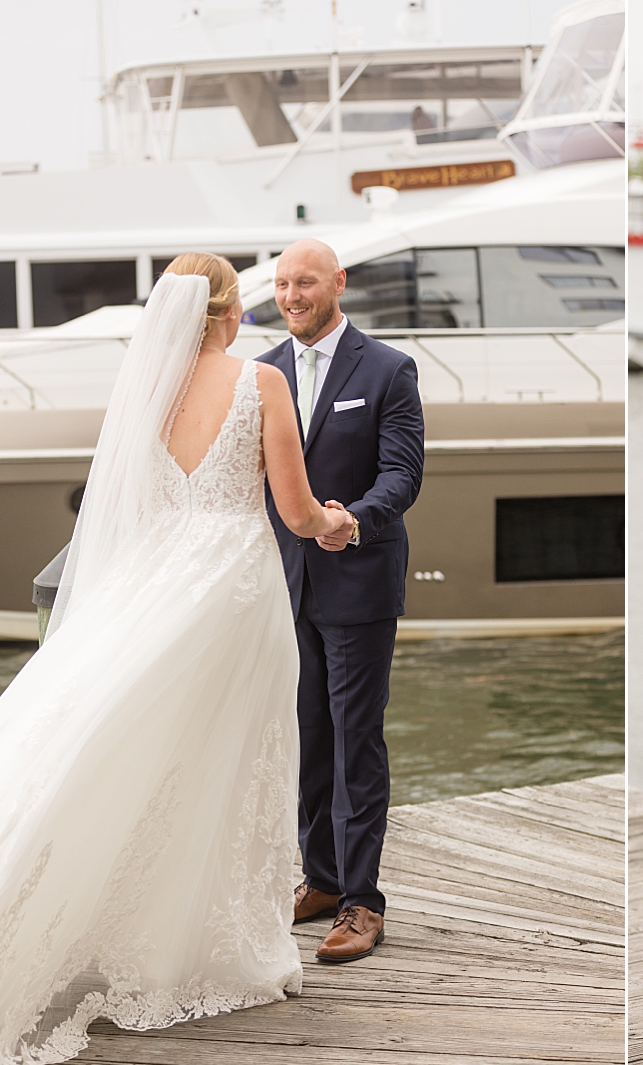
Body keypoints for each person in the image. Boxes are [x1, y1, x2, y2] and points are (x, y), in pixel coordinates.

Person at [0, 253, 353, 1065]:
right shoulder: (264, 383)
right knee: (226, 762)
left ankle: (116, 936)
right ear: (227, 312)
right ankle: (207, 948)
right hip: (236, 596)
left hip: (152, 592)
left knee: (119, 760)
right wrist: (338, 522)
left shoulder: (144, 394)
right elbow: (295, 511)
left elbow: (129, 513)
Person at [257, 239, 424, 965]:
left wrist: (353, 518)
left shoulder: (388, 368)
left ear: (337, 283)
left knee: (356, 737)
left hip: (357, 581)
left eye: (306, 282)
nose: (292, 295)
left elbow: (404, 472)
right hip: (281, 585)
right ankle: (320, 878)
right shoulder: (258, 371)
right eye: (283, 284)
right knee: (306, 736)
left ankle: (362, 901)